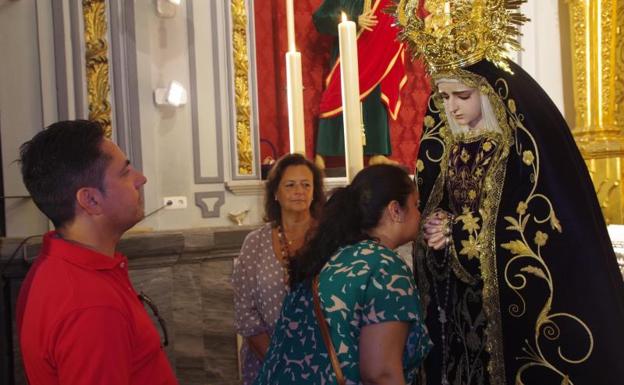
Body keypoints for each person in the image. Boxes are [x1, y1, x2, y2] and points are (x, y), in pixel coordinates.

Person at [412, 57, 624, 385]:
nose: (452, 107)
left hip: (508, 298)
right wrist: (433, 225)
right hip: (462, 299)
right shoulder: (449, 150)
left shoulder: (516, 151)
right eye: (444, 97)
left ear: (488, 93)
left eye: (462, 96)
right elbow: (437, 205)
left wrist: (453, 232)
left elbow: (526, 222)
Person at [16, 120, 178, 385]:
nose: (141, 179)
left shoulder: (59, 266)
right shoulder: (91, 304)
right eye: (125, 173)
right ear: (90, 200)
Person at [254, 164, 432, 385]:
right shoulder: (385, 267)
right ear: (395, 210)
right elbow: (380, 374)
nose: (420, 214)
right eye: (415, 205)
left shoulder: (341, 253)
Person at [232, 153, 325, 385]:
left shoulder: (330, 238)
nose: (299, 191)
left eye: (306, 185)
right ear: (275, 193)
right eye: (290, 185)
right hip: (267, 363)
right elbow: (245, 313)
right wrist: (279, 362)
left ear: (314, 192)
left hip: (324, 360)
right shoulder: (255, 242)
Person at [312, 0, 406, 167]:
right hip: (349, 52)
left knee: (375, 100)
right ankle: (322, 154)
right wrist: (354, 20)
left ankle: (377, 152)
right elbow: (320, 18)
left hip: (378, 54)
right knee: (337, 96)